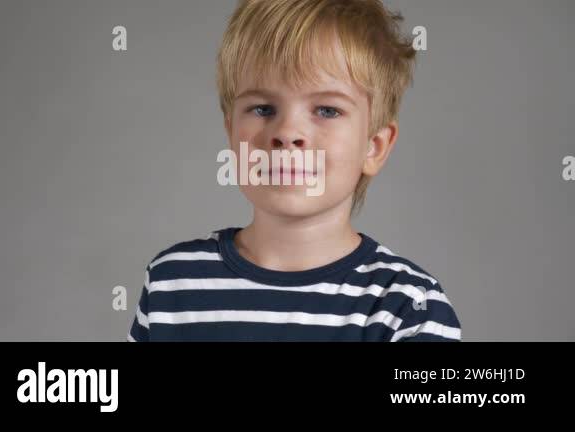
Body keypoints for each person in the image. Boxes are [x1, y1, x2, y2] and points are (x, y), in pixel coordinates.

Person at [128, 0, 461, 341]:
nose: (287, 133)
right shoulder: (171, 283)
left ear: (373, 146)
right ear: (231, 133)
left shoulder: (408, 307)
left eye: (327, 110)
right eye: (263, 108)